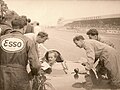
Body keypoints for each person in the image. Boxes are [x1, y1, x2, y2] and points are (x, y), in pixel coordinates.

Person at [0, 17, 40, 90]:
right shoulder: (28, 41)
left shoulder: (1, 39)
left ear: (12, 26)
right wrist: (33, 74)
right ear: (24, 27)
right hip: (20, 76)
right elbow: (36, 65)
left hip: (2, 76)